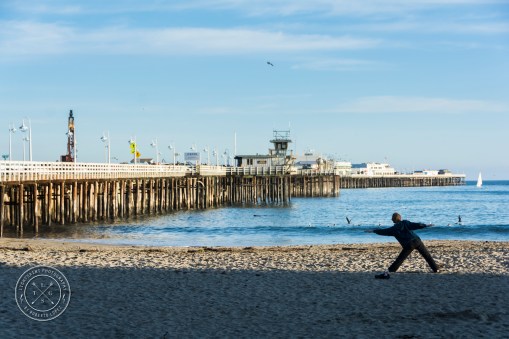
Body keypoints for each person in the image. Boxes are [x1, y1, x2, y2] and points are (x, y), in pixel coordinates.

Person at [366, 212, 439, 279]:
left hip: (409, 244)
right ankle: (436, 269)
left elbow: (384, 231)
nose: (391, 219)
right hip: (417, 240)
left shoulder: (394, 229)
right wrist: (425, 225)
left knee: (400, 259)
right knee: (427, 255)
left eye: (392, 218)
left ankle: (387, 273)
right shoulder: (405, 222)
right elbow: (415, 225)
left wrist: (374, 231)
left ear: (394, 219)